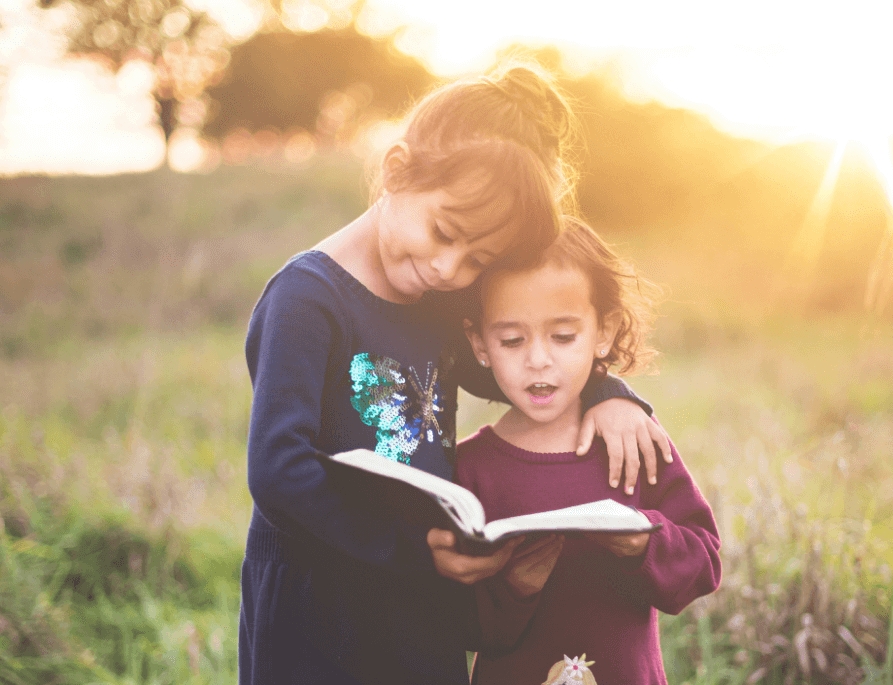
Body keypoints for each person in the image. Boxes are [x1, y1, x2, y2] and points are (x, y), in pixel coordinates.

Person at [239, 63, 672, 685]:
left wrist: (609, 393)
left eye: (479, 259)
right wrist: (414, 553)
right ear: (395, 172)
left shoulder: (436, 301)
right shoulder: (308, 299)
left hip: (420, 597)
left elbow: (519, 374)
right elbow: (278, 472)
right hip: (319, 602)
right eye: (444, 232)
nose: (449, 268)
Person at [458, 219, 722, 685]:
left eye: (563, 337)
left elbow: (704, 564)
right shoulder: (470, 469)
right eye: (511, 340)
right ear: (479, 343)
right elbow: (460, 626)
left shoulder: (632, 441)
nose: (538, 359)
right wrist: (513, 588)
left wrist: (645, 541)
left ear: (604, 332)